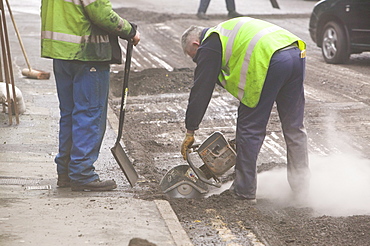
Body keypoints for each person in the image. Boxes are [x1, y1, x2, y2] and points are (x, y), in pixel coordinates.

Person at [180, 17, 310, 204]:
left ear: (195, 43)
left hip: (270, 61)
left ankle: (244, 191)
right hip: (295, 53)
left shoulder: (209, 44)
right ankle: (302, 189)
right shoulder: (226, 32)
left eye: (194, 56)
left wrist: (190, 129)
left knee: (249, 129)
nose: (197, 61)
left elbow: (201, 89)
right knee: (294, 127)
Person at [41, 0, 140, 191]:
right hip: (86, 54)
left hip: (61, 54)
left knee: (69, 114)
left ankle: (66, 172)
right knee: (89, 113)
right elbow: (101, 14)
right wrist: (130, 31)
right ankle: (81, 173)